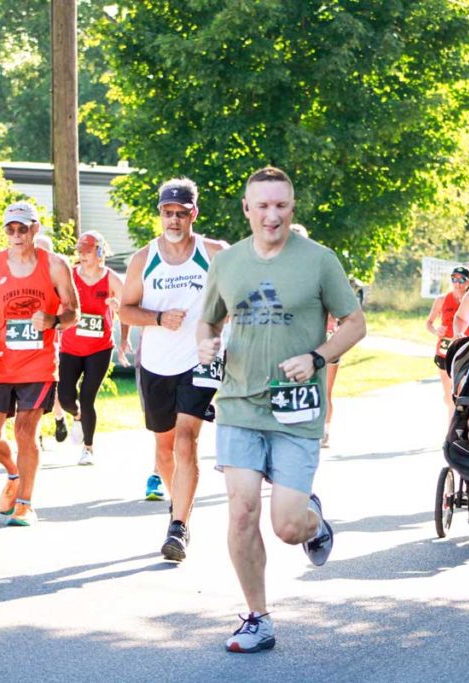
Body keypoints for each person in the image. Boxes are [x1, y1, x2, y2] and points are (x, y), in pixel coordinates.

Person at [197, 166, 366, 653]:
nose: (272, 216)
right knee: (242, 511)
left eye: (282, 206)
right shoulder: (226, 263)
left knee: (287, 527)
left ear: (293, 208)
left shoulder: (318, 261)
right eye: (263, 206)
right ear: (246, 210)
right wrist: (207, 346)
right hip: (238, 405)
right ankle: (258, 617)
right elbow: (206, 324)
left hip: (296, 409)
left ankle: (312, 518)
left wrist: (317, 357)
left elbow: (355, 324)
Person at [120, 177, 228, 562]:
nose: (174, 220)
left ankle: (178, 528)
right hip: (156, 363)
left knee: (186, 441)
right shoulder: (143, 259)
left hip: (201, 359)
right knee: (164, 450)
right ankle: (177, 503)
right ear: (160, 215)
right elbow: (125, 309)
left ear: (193, 214)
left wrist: (221, 330)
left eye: (182, 213)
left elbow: (239, 299)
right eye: (168, 213)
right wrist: (159, 317)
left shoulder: (215, 253)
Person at [0, 201, 79, 526]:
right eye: (11, 229)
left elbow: (73, 313)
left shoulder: (55, 265)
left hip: (38, 363)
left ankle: (25, 503)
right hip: (1, 363)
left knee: (24, 431)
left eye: (23, 228)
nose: (17, 235)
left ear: (35, 229)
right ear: (5, 231)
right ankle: (13, 473)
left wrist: (53, 320)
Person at [58, 231, 129, 465]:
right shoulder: (71, 276)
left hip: (99, 348)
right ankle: (76, 416)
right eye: (80, 251)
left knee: (88, 397)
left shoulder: (111, 278)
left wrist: (122, 336)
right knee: (66, 397)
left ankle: (88, 447)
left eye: (87, 251)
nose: (83, 256)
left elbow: (127, 308)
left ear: (99, 253)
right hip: (70, 346)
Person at [289, 224, 344, 448]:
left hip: (325, 344)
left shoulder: (320, 270)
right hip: (293, 345)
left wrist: (332, 322)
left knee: (324, 390)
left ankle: (324, 430)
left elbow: (342, 309)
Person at [33, 232, 69, 445]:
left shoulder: (57, 276)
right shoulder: (18, 272)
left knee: (50, 388)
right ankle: (34, 436)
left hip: (50, 341)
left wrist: (57, 321)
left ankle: (59, 417)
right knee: (27, 391)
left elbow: (70, 310)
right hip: (23, 345)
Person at [426, 267, 469, 419]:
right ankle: (451, 433)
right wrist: (436, 331)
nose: (457, 283)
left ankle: (462, 427)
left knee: (462, 392)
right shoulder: (442, 300)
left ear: (468, 281)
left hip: (465, 350)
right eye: (454, 279)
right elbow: (429, 323)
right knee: (448, 394)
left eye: (461, 280)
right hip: (444, 350)